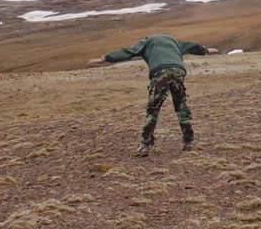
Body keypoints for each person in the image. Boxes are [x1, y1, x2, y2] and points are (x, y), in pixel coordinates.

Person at [88, 33, 218, 156]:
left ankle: (145, 144)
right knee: (181, 106)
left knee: (153, 109)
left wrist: (105, 58)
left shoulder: (147, 42)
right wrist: (205, 50)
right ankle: (189, 141)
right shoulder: (174, 41)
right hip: (178, 70)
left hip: (160, 71)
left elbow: (128, 52)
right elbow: (192, 46)